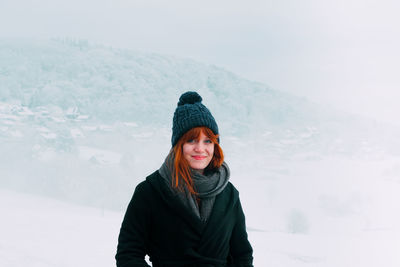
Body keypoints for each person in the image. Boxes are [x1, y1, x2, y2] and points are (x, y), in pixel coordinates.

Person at [115, 91, 253, 267]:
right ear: (178, 145)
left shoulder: (229, 194)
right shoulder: (150, 191)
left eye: (208, 141)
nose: (200, 148)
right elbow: (128, 254)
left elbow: (242, 256)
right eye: (192, 140)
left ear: (215, 145)